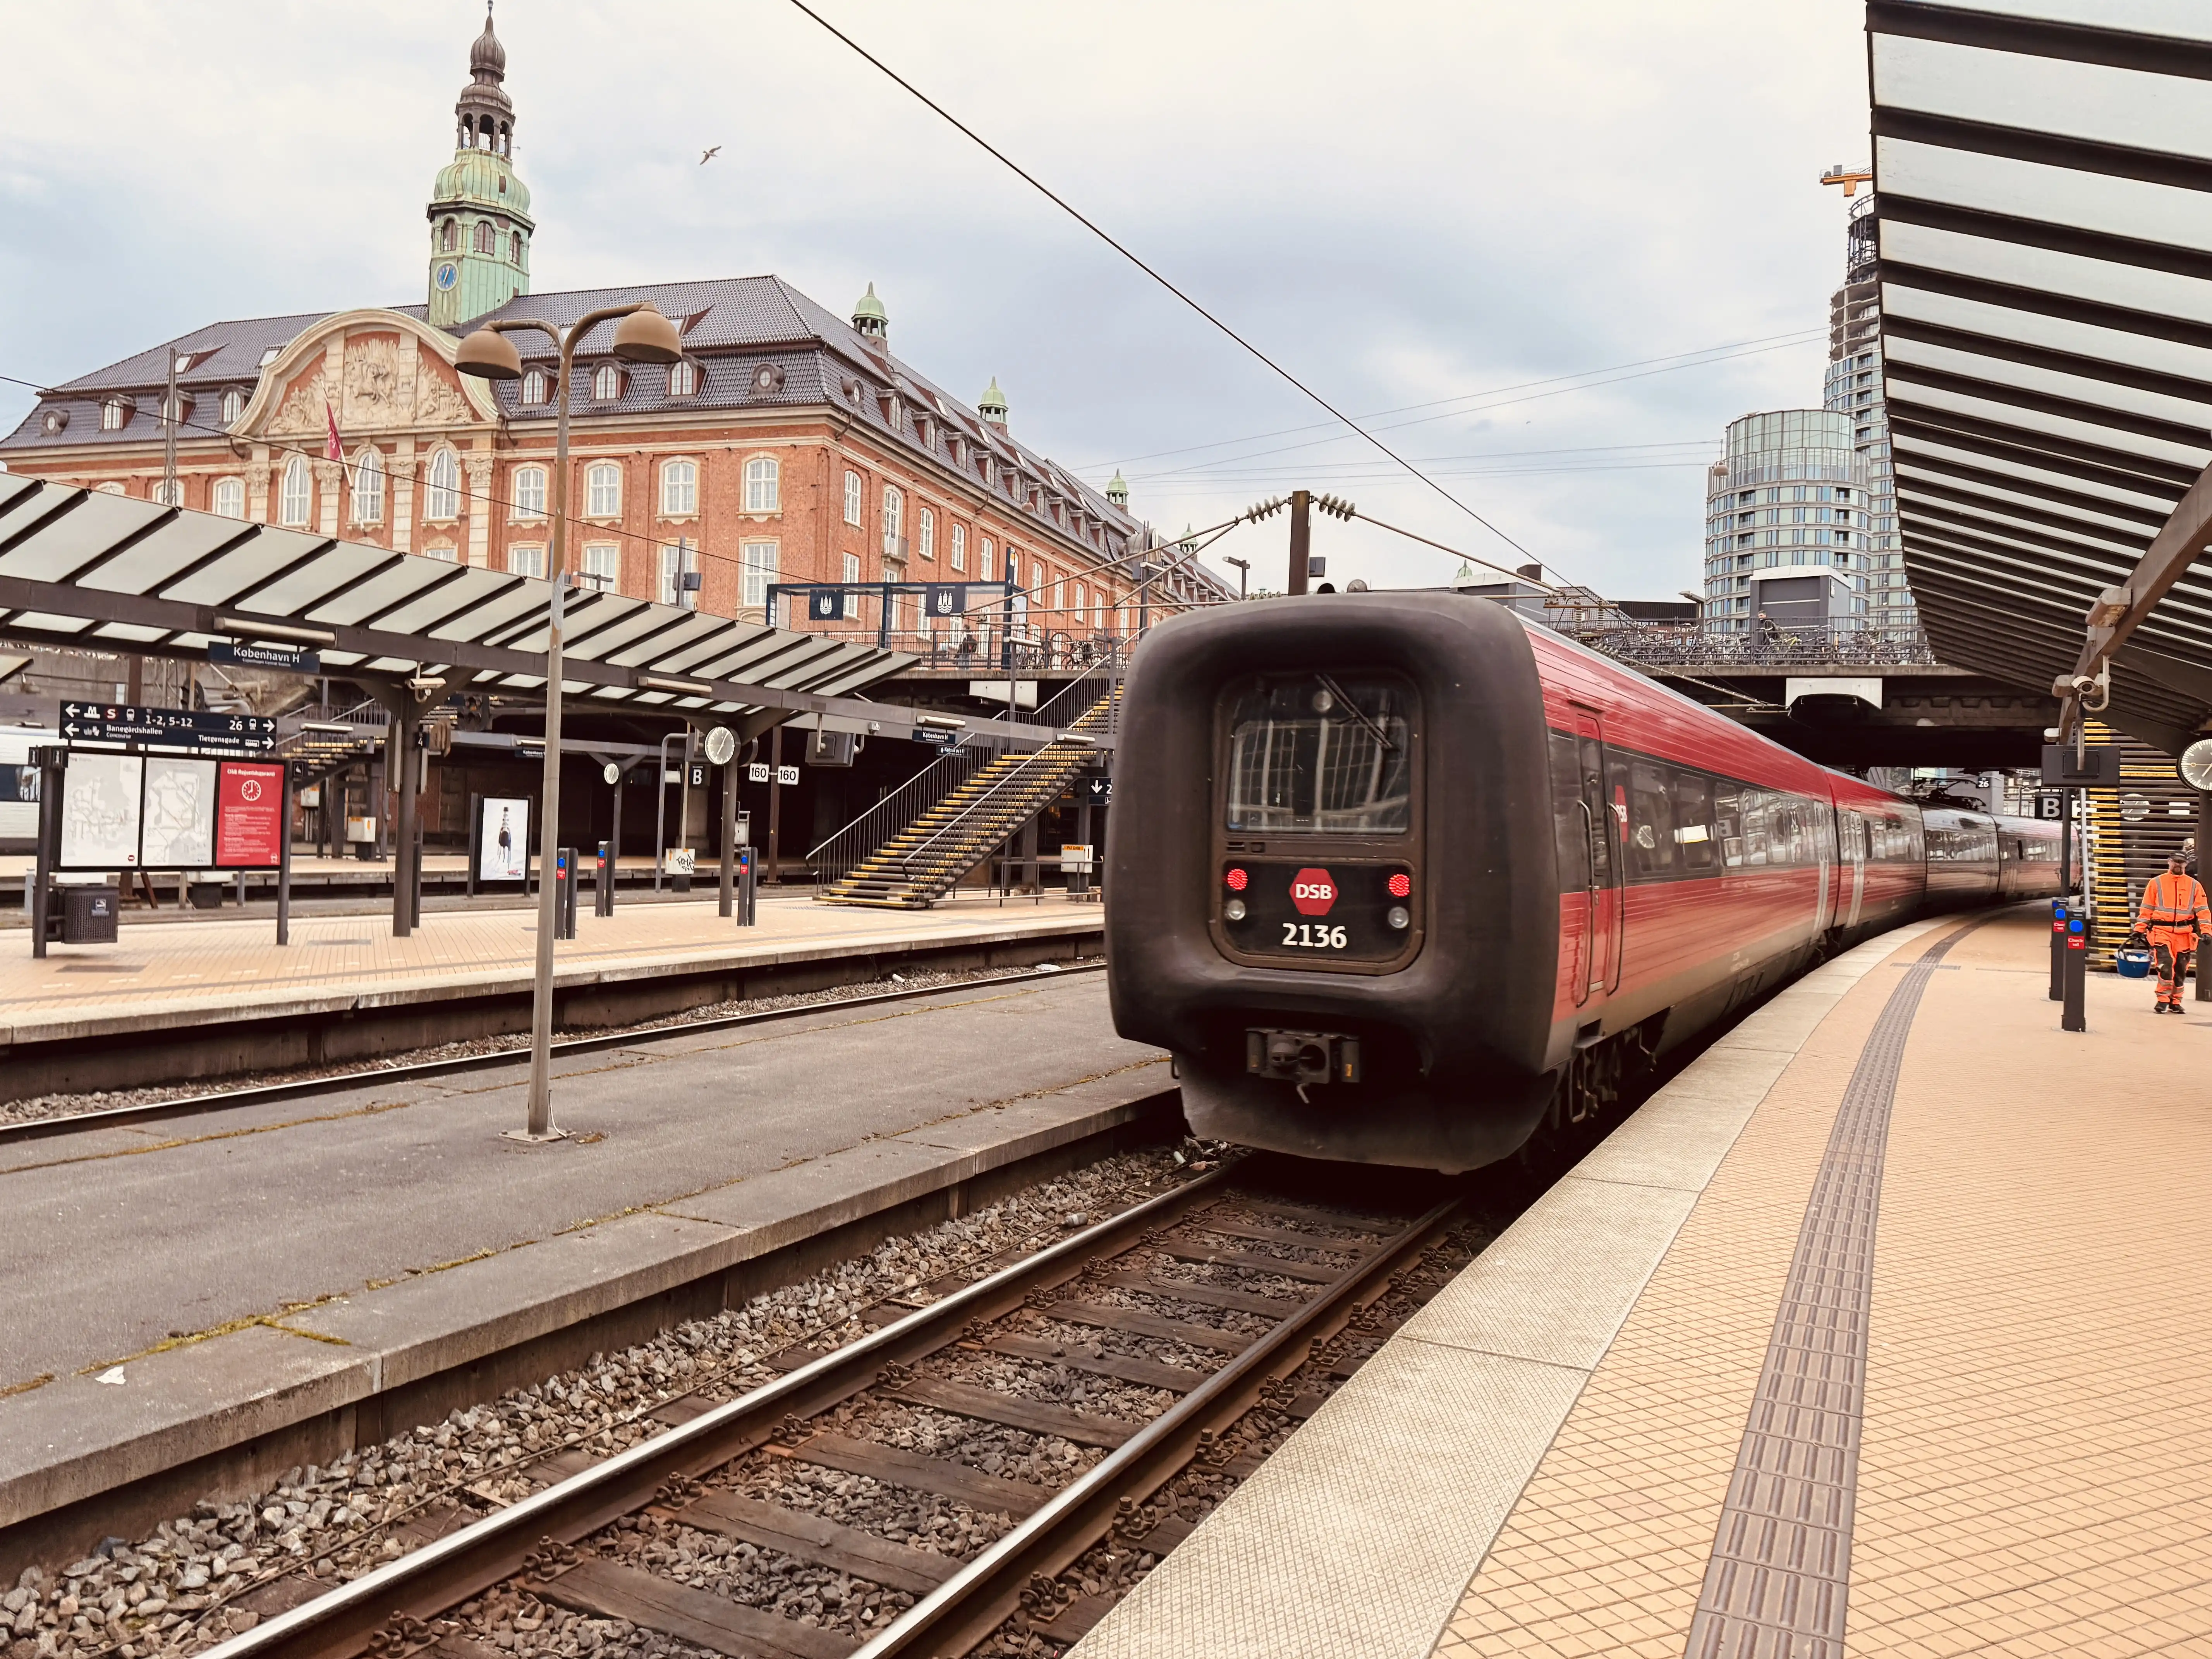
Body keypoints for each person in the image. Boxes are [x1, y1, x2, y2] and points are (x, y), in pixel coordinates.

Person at [2131, 849, 2211, 1013]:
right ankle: (2162, 1000)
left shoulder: (2194, 886)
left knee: (2181, 969)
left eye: (2181, 862)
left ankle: (2176, 1001)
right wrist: (2139, 929)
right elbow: (2147, 908)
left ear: (2186, 865)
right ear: (2169, 862)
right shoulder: (2156, 883)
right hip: (2162, 931)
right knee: (2165, 965)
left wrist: (2207, 931)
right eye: (2175, 862)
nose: (2178, 865)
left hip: (2185, 933)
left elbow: (2203, 910)